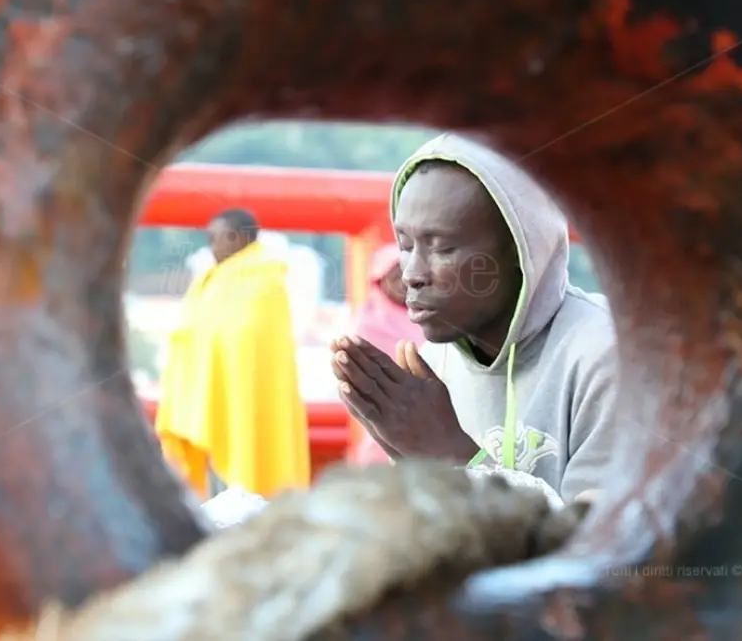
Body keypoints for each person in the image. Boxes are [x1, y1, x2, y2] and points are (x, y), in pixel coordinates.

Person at [331, 134, 621, 503]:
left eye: (442, 248)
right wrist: (408, 452)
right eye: (405, 246)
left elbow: (608, 550)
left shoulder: (607, 358)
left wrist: (454, 456)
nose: (411, 275)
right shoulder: (435, 364)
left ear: (520, 250)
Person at [156, 208, 311, 499]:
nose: (211, 247)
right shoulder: (213, 279)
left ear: (236, 238)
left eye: (215, 239)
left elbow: (249, 342)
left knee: (246, 480)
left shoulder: (265, 281)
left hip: (247, 401)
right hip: (209, 402)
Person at [347, 243, 425, 465]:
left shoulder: (432, 321)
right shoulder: (366, 326)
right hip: (383, 425)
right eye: (394, 276)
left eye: (407, 276)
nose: (403, 283)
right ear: (379, 280)